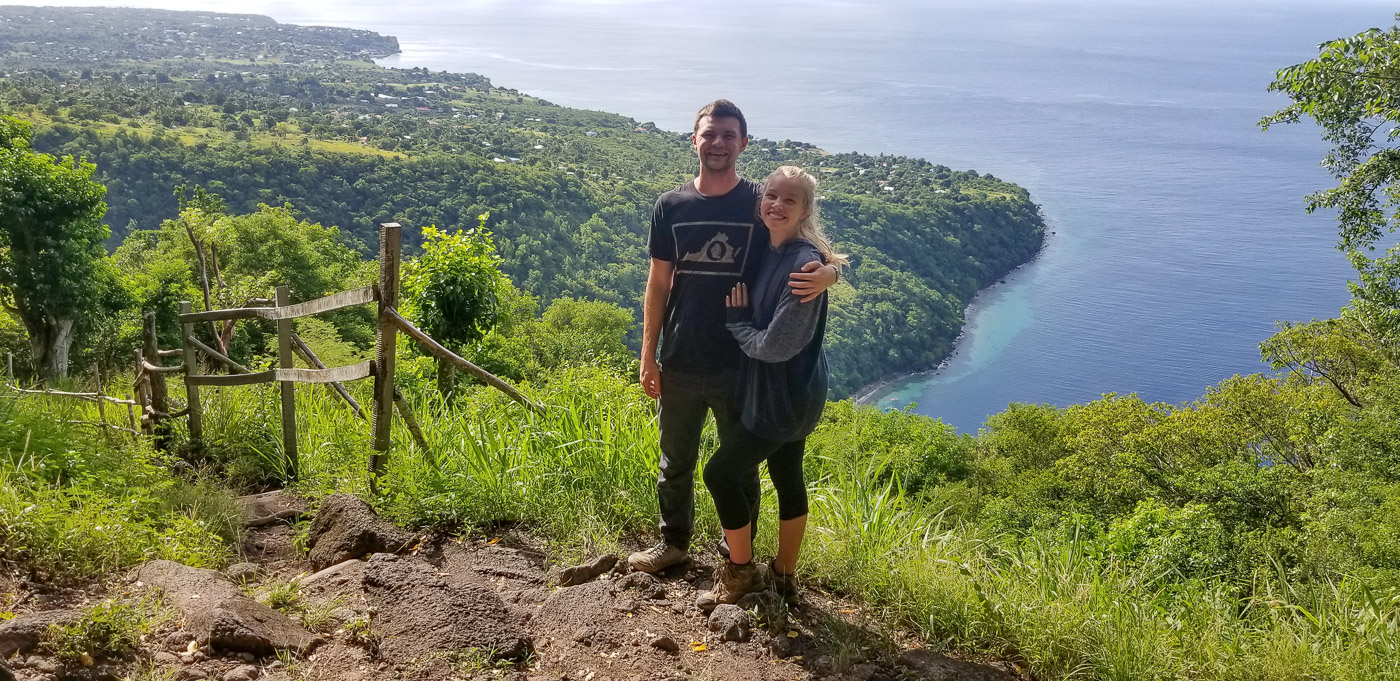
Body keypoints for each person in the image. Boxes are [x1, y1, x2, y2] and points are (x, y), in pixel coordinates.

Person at [628, 101, 838, 574]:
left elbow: (804, 237)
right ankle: (672, 543)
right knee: (674, 460)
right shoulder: (671, 206)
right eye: (709, 134)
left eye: (728, 135)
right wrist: (648, 355)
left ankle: (735, 555)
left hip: (742, 364)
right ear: (694, 139)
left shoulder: (761, 200)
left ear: (743, 143)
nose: (718, 143)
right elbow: (658, 283)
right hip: (681, 354)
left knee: (740, 470)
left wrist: (829, 274)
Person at [696, 165, 845, 607]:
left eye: (790, 200)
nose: (777, 205)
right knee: (786, 475)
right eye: (772, 196)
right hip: (792, 390)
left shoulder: (802, 266)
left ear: (805, 210)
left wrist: (738, 325)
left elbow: (773, 346)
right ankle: (783, 575)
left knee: (720, 472)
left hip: (785, 395)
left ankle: (741, 574)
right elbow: (831, 264)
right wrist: (834, 272)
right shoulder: (771, 247)